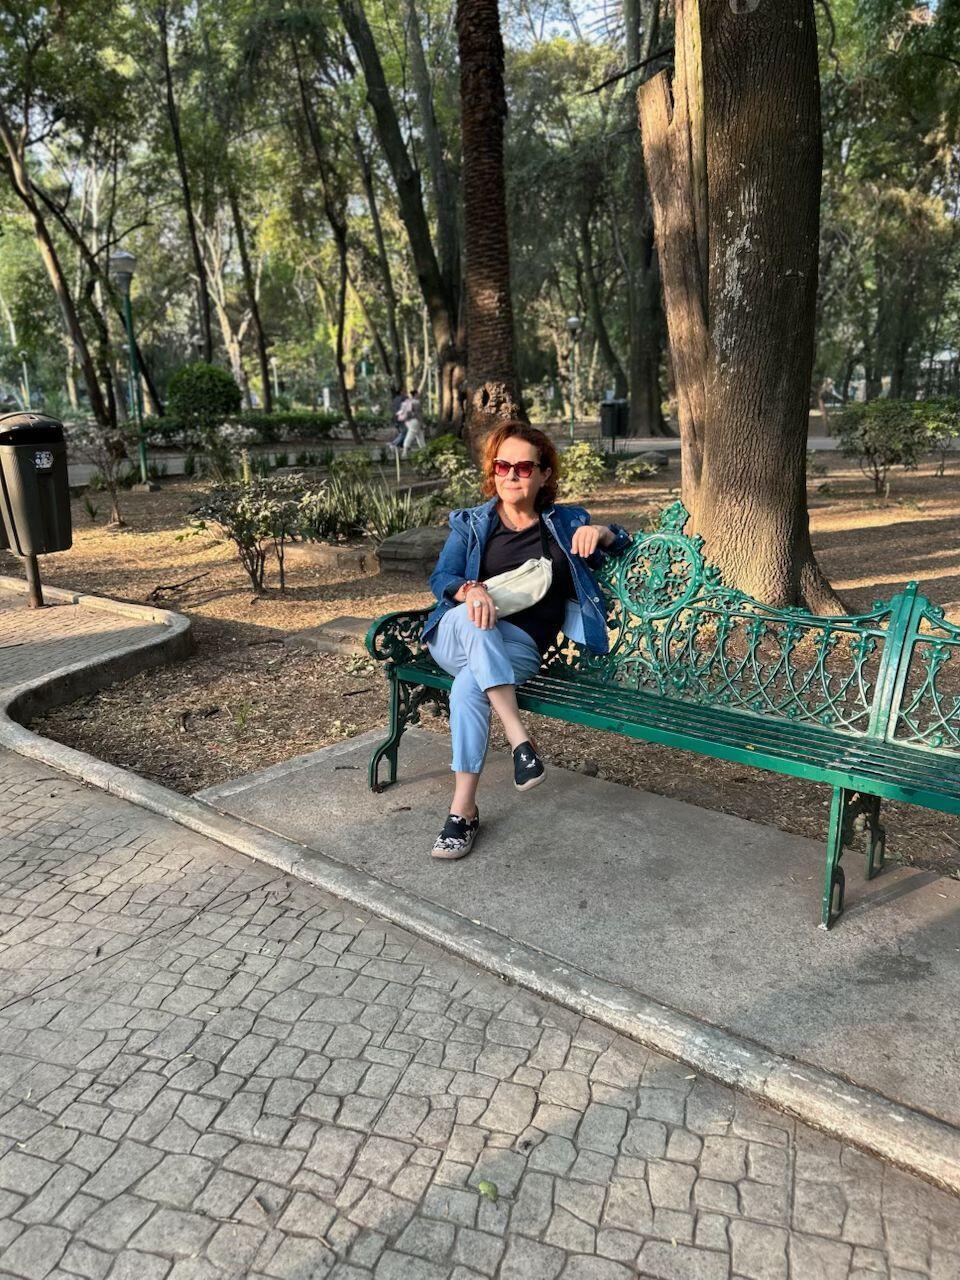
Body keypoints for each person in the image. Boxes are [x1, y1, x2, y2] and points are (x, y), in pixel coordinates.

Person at [421, 421, 631, 859]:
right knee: (476, 620)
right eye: (503, 466)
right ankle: (520, 740)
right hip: (455, 635)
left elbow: (626, 542)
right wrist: (470, 590)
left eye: (523, 467)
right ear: (492, 470)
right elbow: (441, 576)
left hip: (519, 649)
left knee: (469, 687)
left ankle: (462, 812)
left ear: (544, 474)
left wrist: (604, 533)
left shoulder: (565, 523)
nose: (511, 475)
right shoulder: (472, 523)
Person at [399, 389, 426, 458]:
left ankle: (424, 451)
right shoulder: (416, 402)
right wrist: (422, 422)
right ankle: (404, 452)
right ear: (415, 394)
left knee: (420, 435)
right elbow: (418, 414)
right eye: (418, 393)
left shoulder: (408, 401)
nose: (419, 395)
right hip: (415, 421)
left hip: (409, 421)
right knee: (411, 435)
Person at [389, 385, 406, 450]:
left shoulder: (395, 399)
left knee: (402, 432)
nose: (405, 392)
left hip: (395, 418)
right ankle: (393, 443)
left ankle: (401, 445)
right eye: (404, 391)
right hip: (402, 418)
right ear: (401, 392)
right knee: (404, 432)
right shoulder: (403, 398)